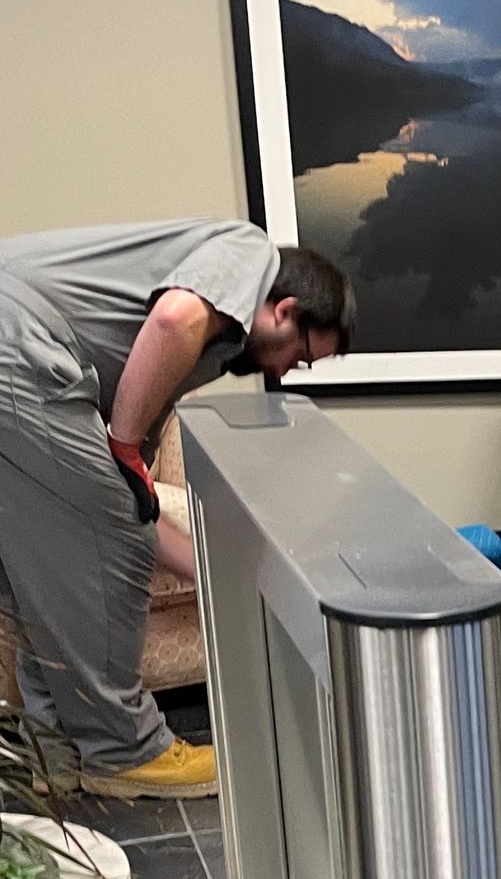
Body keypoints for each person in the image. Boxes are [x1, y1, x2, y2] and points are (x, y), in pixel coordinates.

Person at [0, 221, 355, 797]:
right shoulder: (249, 253)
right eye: (303, 356)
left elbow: (133, 506)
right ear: (285, 310)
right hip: (18, 343)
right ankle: (125, 752)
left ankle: (52, 753)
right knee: (102, 551)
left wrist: (221, 568)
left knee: (41, 573)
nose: (287, 371)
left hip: (19, 351)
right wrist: (122, 449)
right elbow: (172, 320)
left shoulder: (195, 353)